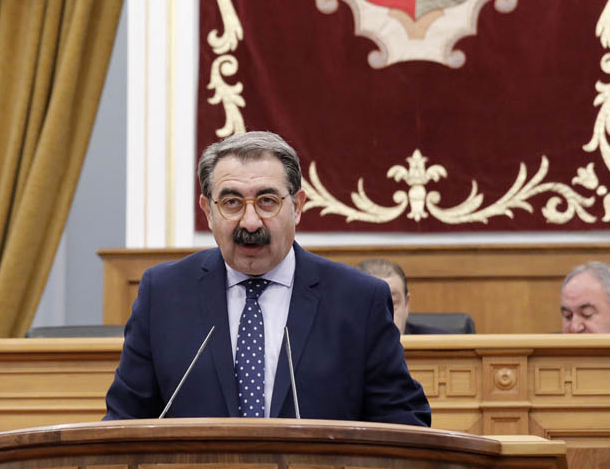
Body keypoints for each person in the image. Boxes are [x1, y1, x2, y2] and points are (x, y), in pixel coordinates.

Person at [104, 131, 430, 426]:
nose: (249, 221)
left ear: (297, 207)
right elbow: (124, 420)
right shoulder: (163, 293)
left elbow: (403, 420)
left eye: (267, 202)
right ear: (208, 211)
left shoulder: (358, 299)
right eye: (231, 203)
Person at [355, 258, 411, 335]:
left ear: (406, 304)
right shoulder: (336, 344)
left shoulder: (431, 342)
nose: (383, 317)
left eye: (392, 303)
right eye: (370, 305)